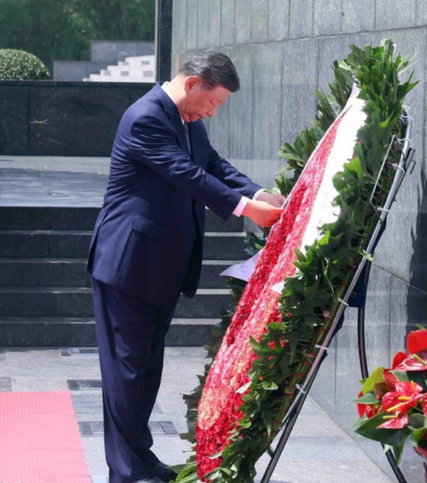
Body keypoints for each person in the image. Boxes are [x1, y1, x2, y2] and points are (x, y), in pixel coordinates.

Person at [86, 51, 284, 483]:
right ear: (193, 83)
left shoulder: (188, 121)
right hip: (127, 264)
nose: (212, 111)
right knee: (126, 374)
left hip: (159, 267)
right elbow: (185, 175)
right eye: (213, 102)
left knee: (144, 370)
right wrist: (246, 209)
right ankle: (127, 472)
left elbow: (212, 166)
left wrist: (261, 192)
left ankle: (140, 458)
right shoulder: (146, 117)